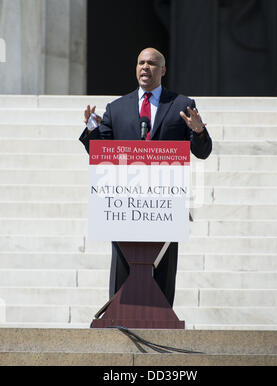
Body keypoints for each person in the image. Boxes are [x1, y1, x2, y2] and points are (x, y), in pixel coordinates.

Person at [79, 47, 212, 306]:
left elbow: (202, 152)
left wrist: (198, 132)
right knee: (122, 265)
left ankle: (161, 320)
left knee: (163, 265)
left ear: (163, 70)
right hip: (125, 203)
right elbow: (100, 153)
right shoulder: (116, 108)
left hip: (165, 204)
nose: (145, 67)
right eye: (141, 62)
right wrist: (92, 129)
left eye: (152, 63)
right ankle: (119, 316)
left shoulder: (182, 105)